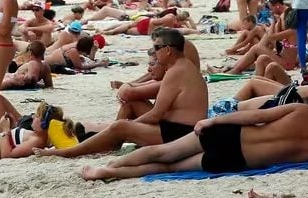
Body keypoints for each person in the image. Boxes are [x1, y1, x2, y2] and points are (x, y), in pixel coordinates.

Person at [36, 28, 207, 158]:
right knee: (128, 111)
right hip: (179, 128)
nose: (154, 52)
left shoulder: (176, 72)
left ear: (168, 50)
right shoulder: (180, 67)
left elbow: (155, 115)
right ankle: (111, 141)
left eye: (156, 48)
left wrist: (126, 128)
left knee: (119, 127)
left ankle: (68, 152)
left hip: (180, 133)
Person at [79, 104, 308, 180]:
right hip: (237, 160)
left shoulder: (304, 113)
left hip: (233, 135)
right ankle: (109, 173)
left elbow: (255, 116)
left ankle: (111, 164)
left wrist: (214, 121)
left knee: (162, 152)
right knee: (166, 168)